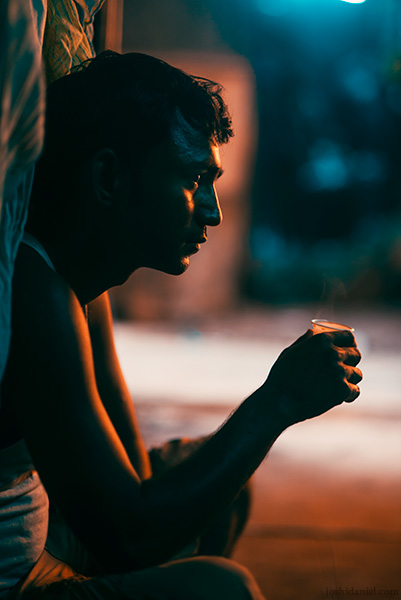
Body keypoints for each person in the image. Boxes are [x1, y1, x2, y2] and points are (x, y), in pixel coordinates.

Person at [0, 50, 363, 600]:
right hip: (17, 578)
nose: (213, 212)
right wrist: (276, 403)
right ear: (107, 177)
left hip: (48, 541)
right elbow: (130, 536)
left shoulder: (81, 283)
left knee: (213, 484)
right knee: (222, 589)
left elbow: (133, 477)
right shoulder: (35, 290)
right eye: (195, 178)